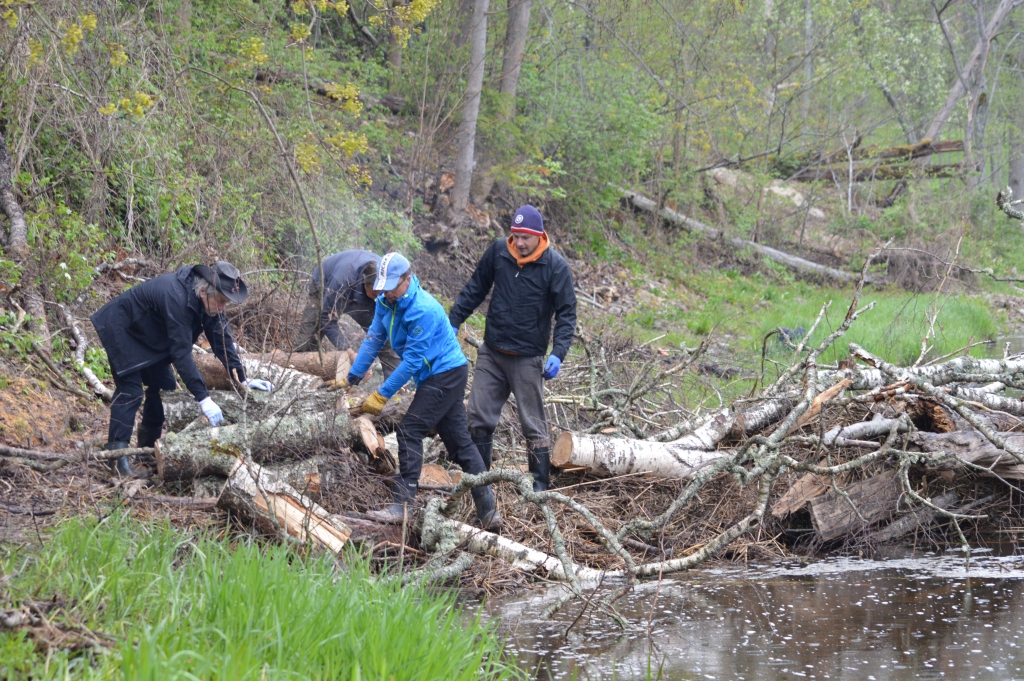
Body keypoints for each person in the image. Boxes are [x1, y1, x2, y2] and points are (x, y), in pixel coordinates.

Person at [342, 253, 500, 529]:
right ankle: (488, 512)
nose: (387, 292)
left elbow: (413, 361)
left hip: (446, 374)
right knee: (461, 445)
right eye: (384, 286)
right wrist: (353, 375)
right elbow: (374, 338)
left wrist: (381, 395)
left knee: (409, 431)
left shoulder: (422, 309)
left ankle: (402, 506)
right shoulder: (384, 303)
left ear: (408, 279)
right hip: (433, 375)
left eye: (393, 285)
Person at [90, 262, 273, 476]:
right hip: (122, 328)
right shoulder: (176, 297)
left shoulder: (207, 301)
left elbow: (222, 338)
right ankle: (116, 459)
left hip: (148, 335)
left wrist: (242, 378)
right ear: (204, 291)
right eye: (221, 301)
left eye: (226, 302)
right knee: (131, 391)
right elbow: (181, 354)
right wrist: (203, 399)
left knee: (165, 386)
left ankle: (146, 449)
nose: (223, 307)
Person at [448, 204, 577, 492]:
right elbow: (475, 288)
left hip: (528, 358)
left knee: (533, 425)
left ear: (539, 236)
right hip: (492, 352)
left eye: (525, 237)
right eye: (515, 235)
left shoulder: (555, 266)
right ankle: (481, 485)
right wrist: (453, 320)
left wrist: (558, 353)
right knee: (478, 417)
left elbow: (567, 312)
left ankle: (539, 486)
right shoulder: (498, 252)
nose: (519, 242)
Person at [294, 250, 400, 379]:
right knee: (310, 334)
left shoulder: (385, 278)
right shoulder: (341, 282)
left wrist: (365, 360)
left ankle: (396, 379)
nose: (377, 299)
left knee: (384, 333)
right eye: (374, 294)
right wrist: (350, 353)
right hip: (326, 283)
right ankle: (298, 373)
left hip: (358, 290)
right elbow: (327, 320)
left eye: (381, 294)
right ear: (365, 284)